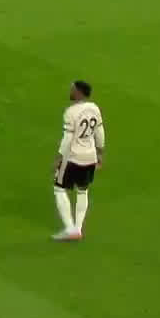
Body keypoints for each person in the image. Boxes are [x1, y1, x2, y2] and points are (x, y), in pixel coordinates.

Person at [53, 80, 106, 242]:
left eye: (72, 89)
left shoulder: (71, 112)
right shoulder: (94, 108)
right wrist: (100, 152)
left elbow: (67, 139)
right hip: (90, 157)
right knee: (83, 191)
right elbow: (100, 132)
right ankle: (78, 228)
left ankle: (70, 229)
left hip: (72, 158)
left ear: (79, 93)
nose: (70, 91)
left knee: (59, 189)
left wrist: (59, 158)